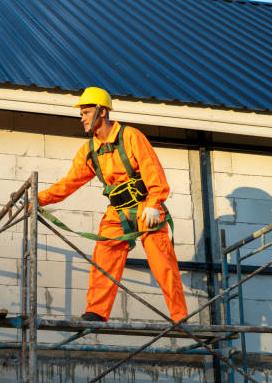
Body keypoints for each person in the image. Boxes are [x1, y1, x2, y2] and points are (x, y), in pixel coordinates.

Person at [37, 87, 188, 323]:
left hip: (145, 207)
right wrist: (37, 199)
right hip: (117, 212)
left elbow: (152, 170)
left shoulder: (131, 137)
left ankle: (180, 316)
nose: (82, 118)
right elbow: (68, 184)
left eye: (86, 112)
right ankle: (97, 311)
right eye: (82, 114)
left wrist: (154, 203)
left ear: (102, 112)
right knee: (103, 258)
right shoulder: (89, 151)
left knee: (163, 264)